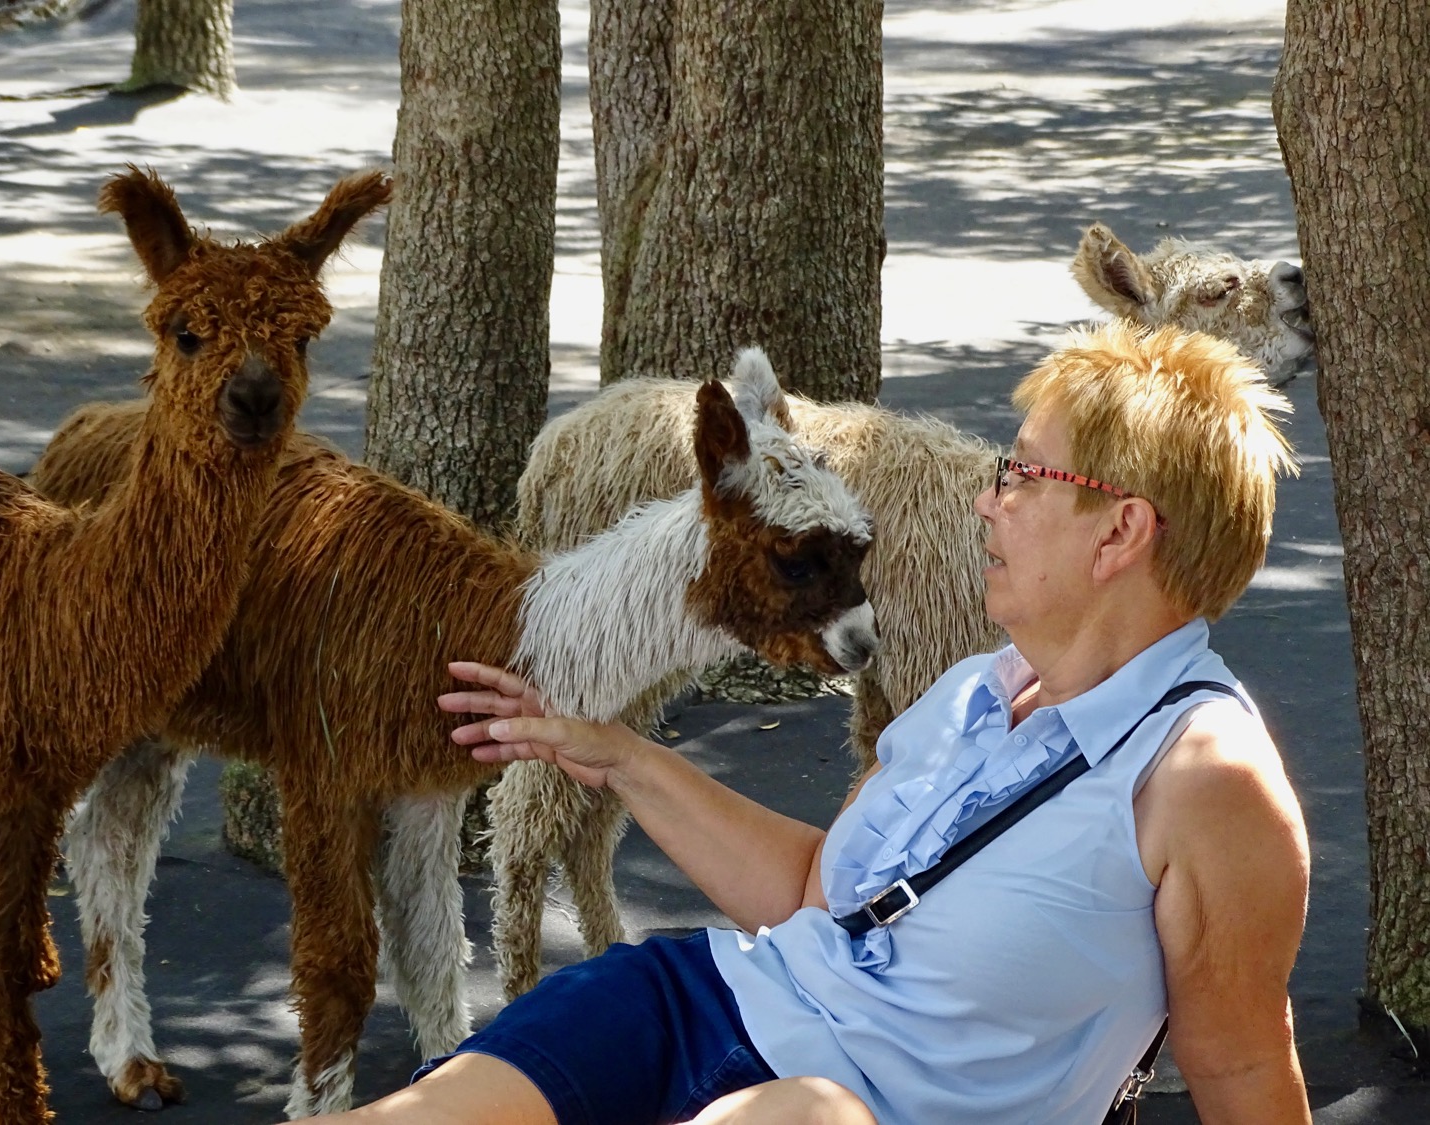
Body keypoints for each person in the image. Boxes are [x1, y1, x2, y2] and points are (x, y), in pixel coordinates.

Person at [309, 321, 1311, 1125]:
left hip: (837, 1104)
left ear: (1122, 531)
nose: (987, 502)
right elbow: (815, 895)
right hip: (706, 1000)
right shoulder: (976, 690)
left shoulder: (1205, 778)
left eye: (1022, 475)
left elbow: (1244, 1072)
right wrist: (618, 756)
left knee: (804, 1111)